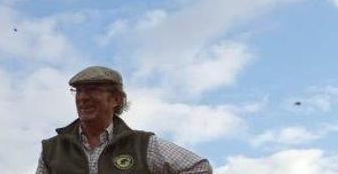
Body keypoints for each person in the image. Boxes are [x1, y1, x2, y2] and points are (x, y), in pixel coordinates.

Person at [36, 65, 213, 174]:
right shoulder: (52, 150)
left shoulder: (144, 145)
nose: (82, 97)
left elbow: (200, 168)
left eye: (92, 90)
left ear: (116, 99)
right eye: (78, 91)